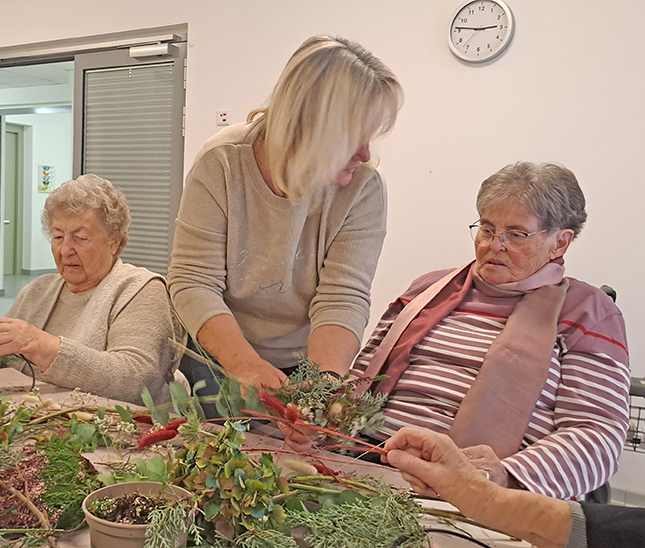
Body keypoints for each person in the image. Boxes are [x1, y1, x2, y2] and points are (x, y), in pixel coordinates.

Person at [351, 162, 630, 500]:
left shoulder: (589, 312)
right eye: (486, 228)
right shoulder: (426, 289)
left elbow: (597, 438)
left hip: (483, 495)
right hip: (366, 464)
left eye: (516, 234)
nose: (494, 245)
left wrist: (505, 474)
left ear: (561, 243)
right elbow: (357, 383)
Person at [167, 35, 403, 411]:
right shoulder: (222, 164)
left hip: (306, 358)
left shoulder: (364, 188)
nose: (365, 153)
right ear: (307, 128)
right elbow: (193, 281)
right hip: (220, 350)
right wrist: (246, 364)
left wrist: (324, 385)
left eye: (370, 136)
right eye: (351, 139)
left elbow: (342, 296)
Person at [0, 174, 186, 406]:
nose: (65, 250)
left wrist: (43, 346)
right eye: (58, 236)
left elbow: (137, 379)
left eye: (80, 238)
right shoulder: (37, 290)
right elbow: (4, 366)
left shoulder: (141, 290)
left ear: (114, 241)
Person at [384, 427, 645, 548]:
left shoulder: (589, 321)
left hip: (478, 509)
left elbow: (598, 444)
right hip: (387, 475)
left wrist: (501, 484)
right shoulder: (414, 314)